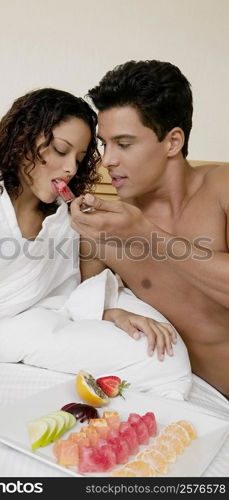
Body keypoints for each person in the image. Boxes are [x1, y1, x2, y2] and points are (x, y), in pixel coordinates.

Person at [0, 87, 191, 457]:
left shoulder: (62, 219)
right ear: (23, 140)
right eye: (60, 151)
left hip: (18, 327)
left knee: (162, 356)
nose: (71, 168)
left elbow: (60, 292)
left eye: (79, 157)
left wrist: (107, 311)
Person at [70, 60, 229, 400]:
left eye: (123, 144)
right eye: (104, 144)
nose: (107, 160)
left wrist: (146, 234)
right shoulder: (102, 228)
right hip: (193, 399)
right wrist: (112, 313)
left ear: (172, 142)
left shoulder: (221, 187)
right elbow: (86, 307)